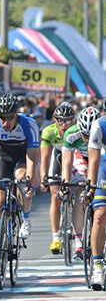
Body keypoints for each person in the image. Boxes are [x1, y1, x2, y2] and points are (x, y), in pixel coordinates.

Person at [0, 94, 39, 275]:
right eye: (2, 117)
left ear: (17, 115)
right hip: (4, 159)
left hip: (23, 158)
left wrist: (29, 180)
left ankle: (26, 216)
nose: (6, 121)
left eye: (10, 117)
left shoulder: (29, 125)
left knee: (21, 177)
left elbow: (32, 158)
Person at [59, 106, 100, 261]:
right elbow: (67, 163)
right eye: (84, 135)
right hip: (81, 158)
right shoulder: (71, 134)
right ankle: (79, 243)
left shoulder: (103, 130)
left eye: (91, 135)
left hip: (99, 157)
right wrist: (65, 184)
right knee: (78, 191)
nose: (87, 139)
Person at [40, 104, 76, 254]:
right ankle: (55, 237)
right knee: (55, 196)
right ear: (55, 120)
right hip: (57, 160)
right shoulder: (49, 132)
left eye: (67, 121)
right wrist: (44, 177)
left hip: (75, 160)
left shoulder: (78, 132)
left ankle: (77, 230)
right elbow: (45, 158)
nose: (63, 125)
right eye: (60, 121)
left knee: (78, 194)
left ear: (73, 121)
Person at [85, 103, 106, 290]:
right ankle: (98, 267)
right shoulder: (99, 125)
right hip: (104, 167)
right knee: (99, 214)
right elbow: (94, 159)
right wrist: (91, 185)